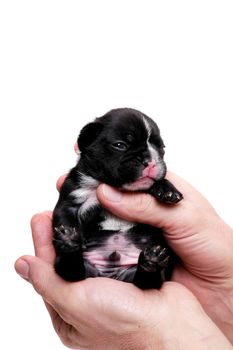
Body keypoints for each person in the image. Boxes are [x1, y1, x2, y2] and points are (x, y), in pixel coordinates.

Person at [15, 172, 233, 349]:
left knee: (149, 277)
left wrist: (155, 334)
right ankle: (71, 250)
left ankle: (147, 266)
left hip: (135, 267)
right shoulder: (82, 182)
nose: (151, 161)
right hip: (90, 261)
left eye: (157, 149)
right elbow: (65, 212)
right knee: (69, 267)